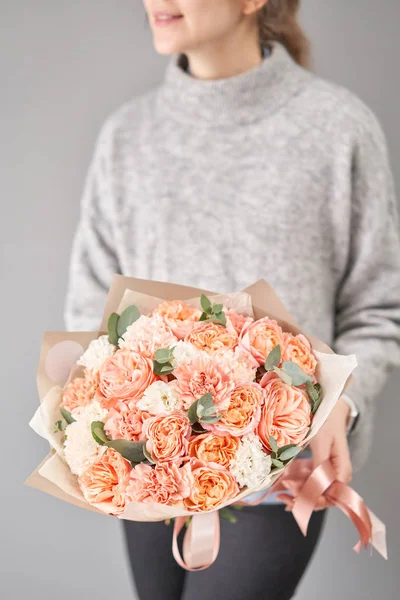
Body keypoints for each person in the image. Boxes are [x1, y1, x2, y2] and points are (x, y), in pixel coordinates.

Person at [63, 1, 400, 598]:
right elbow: (93, 306)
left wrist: (340, 405)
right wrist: (104, 418)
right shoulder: (127, 137)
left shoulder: (337, 128)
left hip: (279, 470)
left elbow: (379, 308)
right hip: (150, 467)